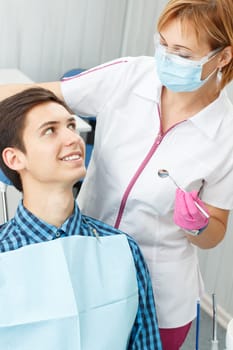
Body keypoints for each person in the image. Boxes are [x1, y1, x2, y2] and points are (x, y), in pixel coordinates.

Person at [0, 0, 233, 348]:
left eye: (182, 53)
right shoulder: (130, 76)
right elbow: (44, 96)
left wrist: (198, 225)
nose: (166, 59)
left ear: (222, 57)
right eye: (163, 45)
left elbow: (214, 231)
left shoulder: (226, 133)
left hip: (158, 287)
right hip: (84, 262)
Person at [0, 87, 162, 350]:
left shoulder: (123, 248)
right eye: (50, 130)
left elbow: (145, 344)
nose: (73, 138)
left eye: (71, 125)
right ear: (15, 158)